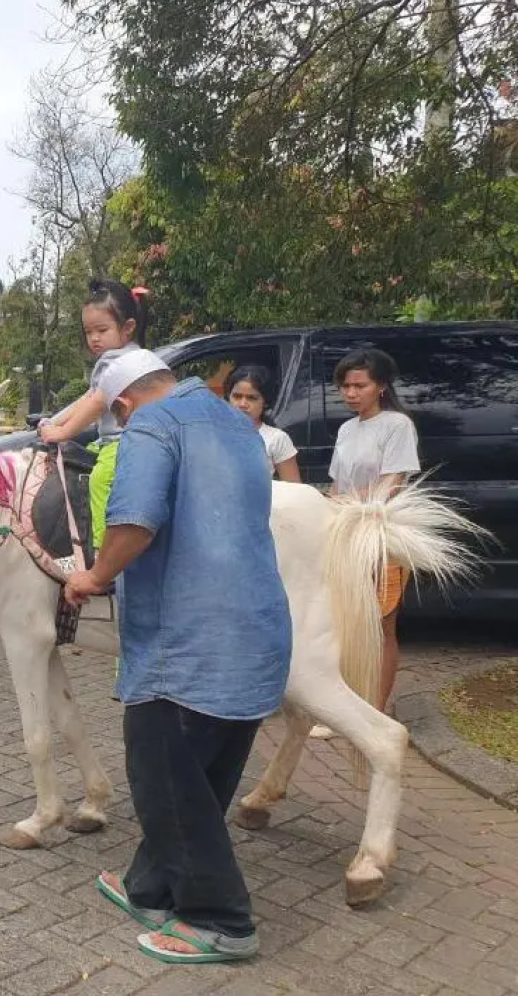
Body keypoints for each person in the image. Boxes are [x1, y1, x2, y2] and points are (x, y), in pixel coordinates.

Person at [65, 349, 292, 965]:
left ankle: (221, 919)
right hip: (256, 635)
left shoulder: (151, 426)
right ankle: (151, 888)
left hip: (187, 645)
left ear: (121, 404)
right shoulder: (238, 427)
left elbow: (135, 520)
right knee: (203, 776)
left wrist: (94, 576)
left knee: (165, 781)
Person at [310, 347, 420, 739]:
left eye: (360, 385)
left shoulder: (397, 426)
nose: (351, 393)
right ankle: (344, 710)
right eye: (345, 385)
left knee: (381, 623)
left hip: (382, 537)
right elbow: (338, 484)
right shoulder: (347, 429)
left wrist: (360, 513)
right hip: (347, 534)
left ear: (382, 386)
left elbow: (394, 480)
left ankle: (374, 714)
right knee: (346, 622)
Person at [39, 280, 149, 550]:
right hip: (120, 440)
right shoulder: (135, 355)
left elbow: (94, 406)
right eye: (89, 332)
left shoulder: (115, 363)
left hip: (123, 442)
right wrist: (54, 420)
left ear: (128, 328)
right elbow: (89, 397)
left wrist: (60, 432)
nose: (94, 338)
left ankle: (101, 548)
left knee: (98, 480)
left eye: (102, 330)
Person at [224, 363, 301, 482]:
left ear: (265, 402)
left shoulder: (277, 439)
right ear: (228, 398)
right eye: (237, 396)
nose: (243, 404)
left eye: (252, 398)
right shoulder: (214, 435)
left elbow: (294, 489)